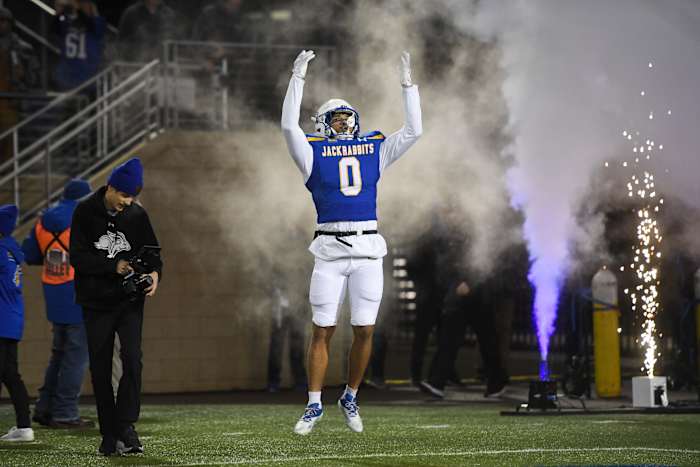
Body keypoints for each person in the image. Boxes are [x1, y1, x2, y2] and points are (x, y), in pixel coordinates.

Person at [281, 49, 422, 435]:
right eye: (336, 118)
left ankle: (350, 395)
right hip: (328, 248)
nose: (342, 123)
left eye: (347, 117)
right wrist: (298, 79)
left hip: (367, 249)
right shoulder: (312, 153)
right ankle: (313, 404)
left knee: (364, 328)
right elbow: (289, 128)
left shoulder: (374, 148)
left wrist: (408, 86)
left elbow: (414, 132)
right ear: (324, 124)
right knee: (322, 328)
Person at [69, 158, 162, 456]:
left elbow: (154, 257)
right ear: (111, 187)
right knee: (100, 369)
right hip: (96, 302)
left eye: (132, 196)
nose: (128, 202)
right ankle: (109, 433)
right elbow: (78, 258)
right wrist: (115, 266)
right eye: (124, 195)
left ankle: (126, 426)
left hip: (129, 301)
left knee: (133, 360)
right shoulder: (84, 211)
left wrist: (154, 276)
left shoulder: (137, 214)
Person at [22, 179, 94, 428]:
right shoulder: (85, 218)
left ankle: (44, 408)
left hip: (53, 293)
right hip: (77, 293)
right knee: (76, 357)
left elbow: (29, 255)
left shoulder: (43, 220)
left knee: (59, 354)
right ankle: (65, 412)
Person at [0, 204, 34, 442]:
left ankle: (24, 426)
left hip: (2, 320)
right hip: (11, 319)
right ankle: (23, 425)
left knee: (10, 374)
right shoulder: (11, 249)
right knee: (8, 373)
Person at [0, 7, 39, 164]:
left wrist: (24, 76)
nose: (0, 25)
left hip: (11, 103)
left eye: (3, 21)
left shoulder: (22, 48)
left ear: (10, 23)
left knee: (9, 142)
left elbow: (33, 77)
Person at [52, 0, 106, 92]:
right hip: (66, 78)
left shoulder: (97, 23)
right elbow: (55, 28)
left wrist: (78, 8)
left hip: (88, 79)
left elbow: (90, 23)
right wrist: (59, 11)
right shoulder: (67, 22)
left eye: (83, 3)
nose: (80, 6)